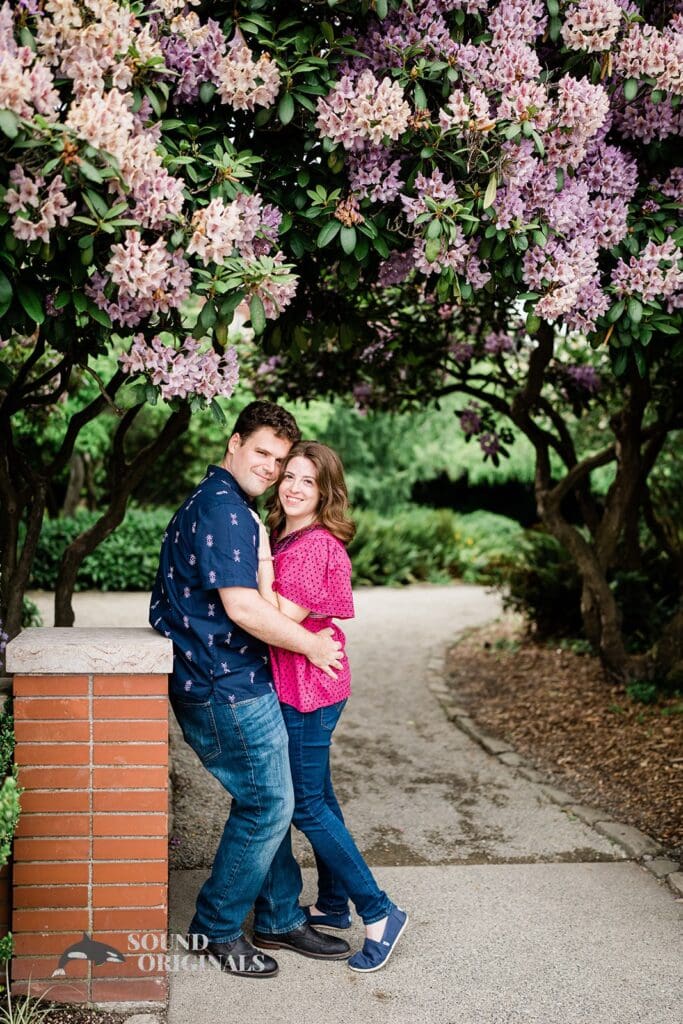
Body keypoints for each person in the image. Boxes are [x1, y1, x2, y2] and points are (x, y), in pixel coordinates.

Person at [149, 402, 351, 979]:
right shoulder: (224, 510)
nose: (271, 467)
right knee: (270, 804)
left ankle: (280, 916)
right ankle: (215, 928)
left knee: (269, 799)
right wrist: (312, 646)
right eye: (262, 452)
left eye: (280, 459)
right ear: (234, 443)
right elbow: (243, 609)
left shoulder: (225, 503)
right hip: (225, 685)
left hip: (228, 679)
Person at [257, 441, 408, 973]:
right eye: (289, 476)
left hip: (309, 689)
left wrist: (258, 560)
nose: (295, 488)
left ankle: (380, 911)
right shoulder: (287, 533)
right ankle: (332, 903)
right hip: (303, 682)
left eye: (309, 481)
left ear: (325, 492)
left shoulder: (314, 545)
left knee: (306, 806)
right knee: (319, 796)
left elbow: (280, 616)